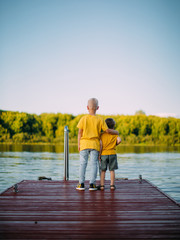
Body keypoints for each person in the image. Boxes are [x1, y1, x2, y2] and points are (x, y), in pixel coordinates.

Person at [76, 98, 119, 191]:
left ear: (87, 107)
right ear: (98, 108)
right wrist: (116, 132)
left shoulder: (83, 118)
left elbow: (80, 133)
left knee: (83, 164)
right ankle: (92, 184)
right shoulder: (100, 119)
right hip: (95, 145)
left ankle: (81, 184)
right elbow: (107, 130)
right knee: (94, 164)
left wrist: (78, 144)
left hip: (84, 144)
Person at [99, 118, 121, 190]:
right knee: (112, 170)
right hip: (112, 153)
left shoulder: (102, 135)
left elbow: (101, 145)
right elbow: (119, 140)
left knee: (103, 170)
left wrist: (99, 155)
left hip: (104, 154)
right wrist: (115, 144)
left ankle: (102, 185)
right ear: (113, 127)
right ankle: (112, 185)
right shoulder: (115, 135)